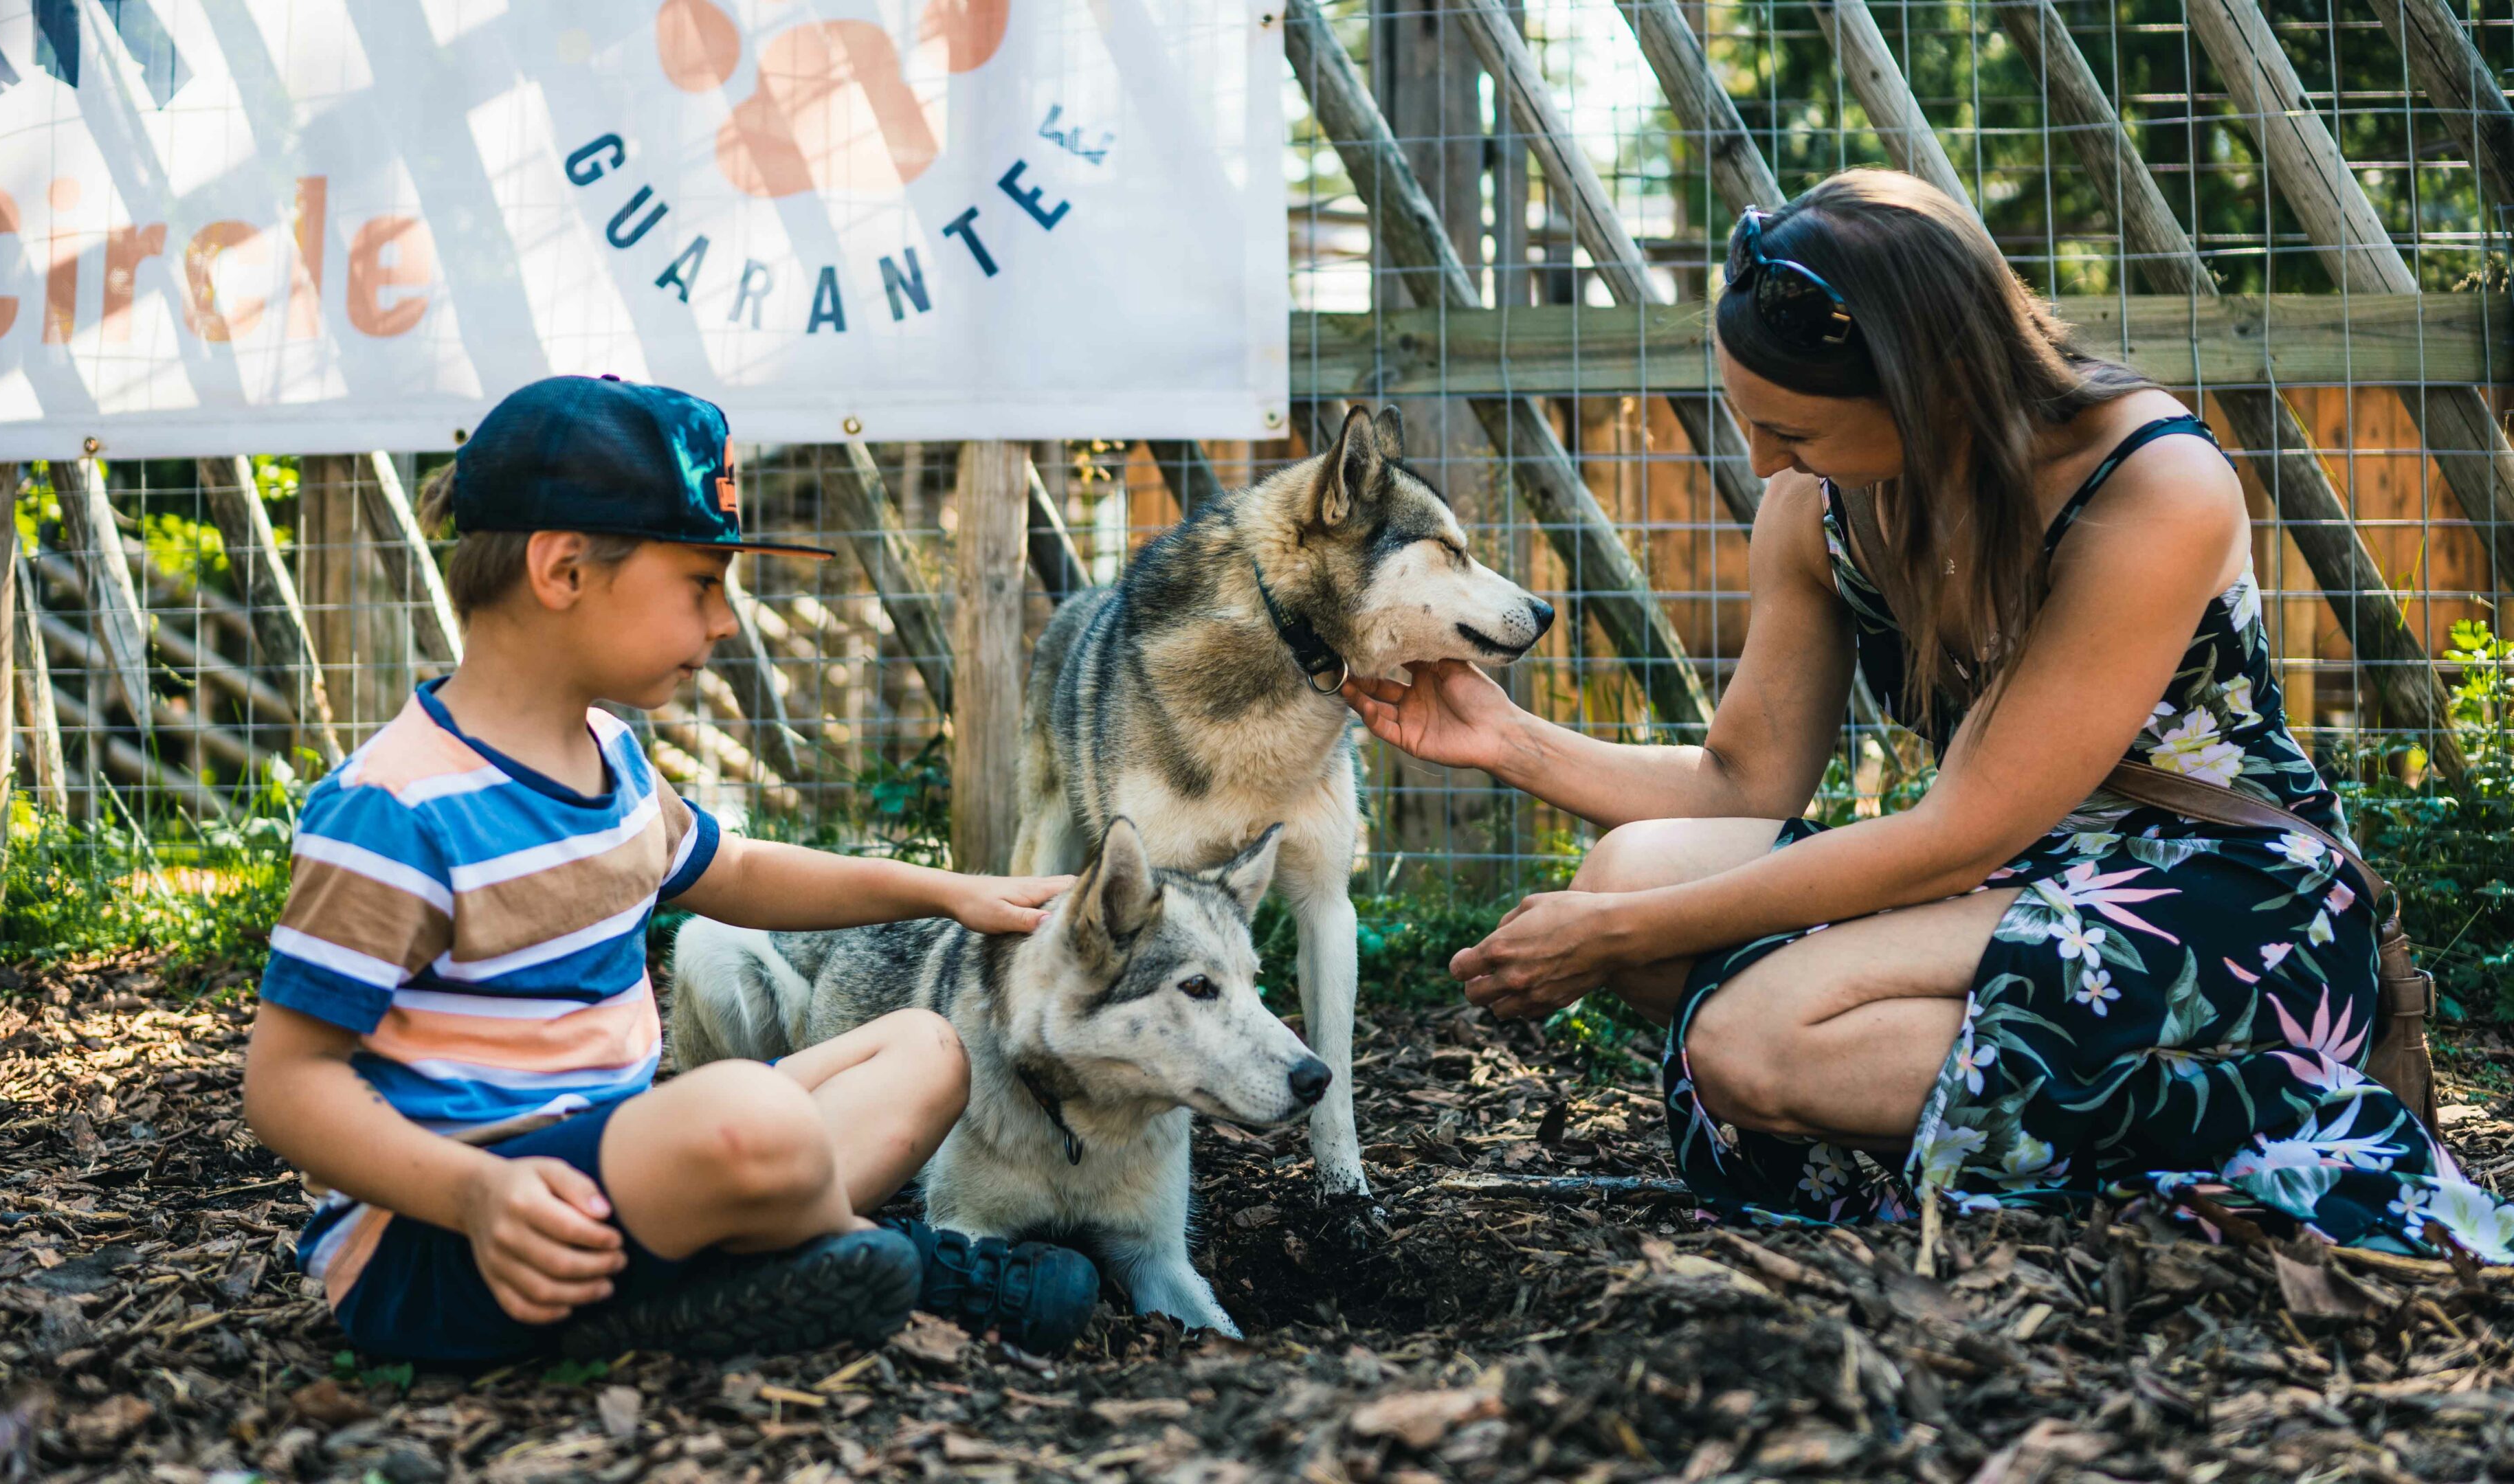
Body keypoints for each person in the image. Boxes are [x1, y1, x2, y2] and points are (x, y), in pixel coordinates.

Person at [1344, 170, 2514, 1256]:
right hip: (2023, 870)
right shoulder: (1826, 506)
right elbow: (1742, 786)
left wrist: (1620, 947)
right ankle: (2011, 1147)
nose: (1760, 464)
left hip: (2219, 887)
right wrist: (1509, 741)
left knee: (1747, 1041)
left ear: (1928, 388)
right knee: (1631, 874)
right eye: (1747, 420)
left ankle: (2267, 1097)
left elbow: (1959, 831)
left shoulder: (2152, 485)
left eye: (1791, 431)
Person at [243, 375, 1102, 1363]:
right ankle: (876, 1261)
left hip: (624, 1167)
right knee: (746, 1117)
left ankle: (716, 1275)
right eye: (702, 584)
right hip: (457, 1244)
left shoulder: (610, 757)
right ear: (563, 570)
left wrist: (945, 891)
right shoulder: (395, 810)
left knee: (924, 1048)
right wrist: (478, 1194)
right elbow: (284, 1084)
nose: (727, 621)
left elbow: (729, 869)